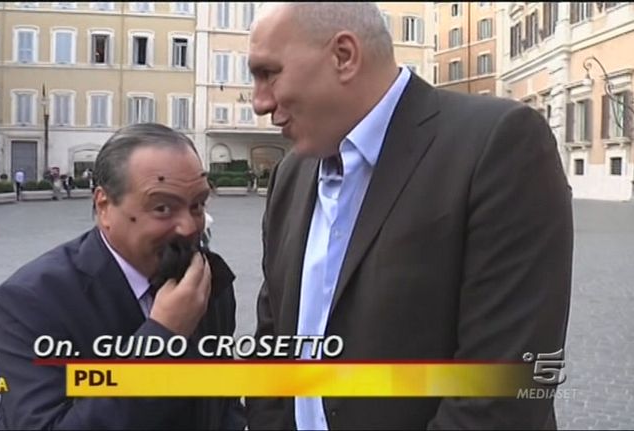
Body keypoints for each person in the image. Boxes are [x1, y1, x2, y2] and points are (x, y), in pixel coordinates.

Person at [245, 3, 573, 430]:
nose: (259, 102)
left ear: (344, 56)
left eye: (268, 73)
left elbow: (503, 389)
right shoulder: (290, 173)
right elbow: (272, 345)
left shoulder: (498, 144)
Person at [0, 123, 245, 430]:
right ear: (104, 207)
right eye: (163, 208)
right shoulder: (33, 301)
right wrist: (163, 339)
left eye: (197, 205)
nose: (189, 227)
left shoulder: (205, 280)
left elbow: (223, 399)